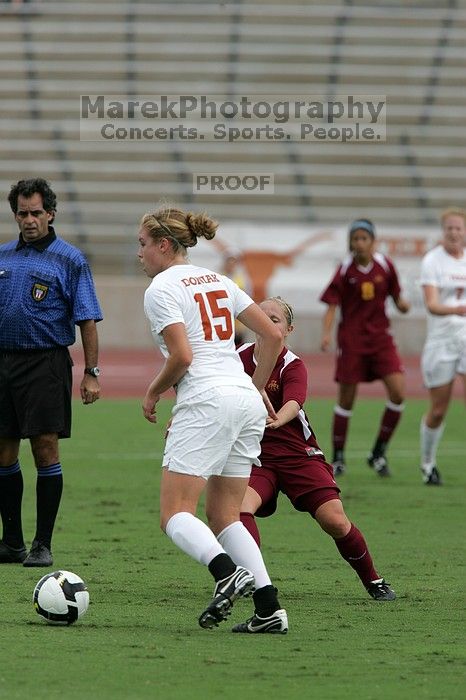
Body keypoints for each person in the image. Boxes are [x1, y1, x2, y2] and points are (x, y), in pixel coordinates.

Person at [138, 206, 288, 633]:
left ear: (164, 245)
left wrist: (152, 392)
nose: (140, 253)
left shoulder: (161, 288)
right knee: (226, 516)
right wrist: (257, 388)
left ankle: (225, 571)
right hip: (242, 397)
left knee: (174, 513)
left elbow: (183, 357)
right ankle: (269, 608)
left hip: (206, 398)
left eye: (143, 244)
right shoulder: (219, 279)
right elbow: (273, 335)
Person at [236, 296, 395, 627]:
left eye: (275, 319)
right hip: (256, 457)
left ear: (288, 329)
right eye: (261, 317)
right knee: (237, 511)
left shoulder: (292, 364)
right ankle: (255, 582)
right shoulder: (234, 359)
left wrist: (279, 418)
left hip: (298, 456)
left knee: (335, 521)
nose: (266, 323)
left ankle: (374, 581)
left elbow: (295, 400)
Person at [0, 178, 102, 567]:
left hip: (45, 363)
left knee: (44, 448)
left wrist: (92, 372)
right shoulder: (3, 255)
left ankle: (42, 543)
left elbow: (88, 320)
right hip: (2, 363)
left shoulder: (70, 259)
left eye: (36, 213)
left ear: (51, 214)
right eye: (22, 213)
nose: (29, 220)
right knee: (4, 449)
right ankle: (12, 542)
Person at [320, 218, 410, 477]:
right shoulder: (345, 269)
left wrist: (403, 305)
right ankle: (338, 458)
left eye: (364, 238)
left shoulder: (385, 265)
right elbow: (332, 305)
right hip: (352, 341)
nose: (359, 243)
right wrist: (326, 334)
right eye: (355, 239)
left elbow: (396, 296)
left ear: (373, 241)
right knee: (346, 400)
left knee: (398, 393)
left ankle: (378, 453)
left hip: (381, 340)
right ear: (351, 242)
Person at [419, 207, 466, 485]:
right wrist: (457, 309)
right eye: (449, 228)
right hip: (441, 341)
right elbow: (432, 304)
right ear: (443, 231)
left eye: (458, 228)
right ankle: (428, 464)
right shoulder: (432, 261)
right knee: (438, 409)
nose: (454, 233)